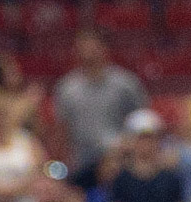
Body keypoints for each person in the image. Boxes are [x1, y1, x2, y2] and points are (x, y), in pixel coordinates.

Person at [52, 29, 148, 184]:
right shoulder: (67, 88)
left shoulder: (125, 84)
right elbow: (62, 130)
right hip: (82, 162)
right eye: (82, 47)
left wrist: (127, 147)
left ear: (104, 49)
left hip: (120, 162)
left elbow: (142, 122)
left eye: (92, 47)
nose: (87, 52)